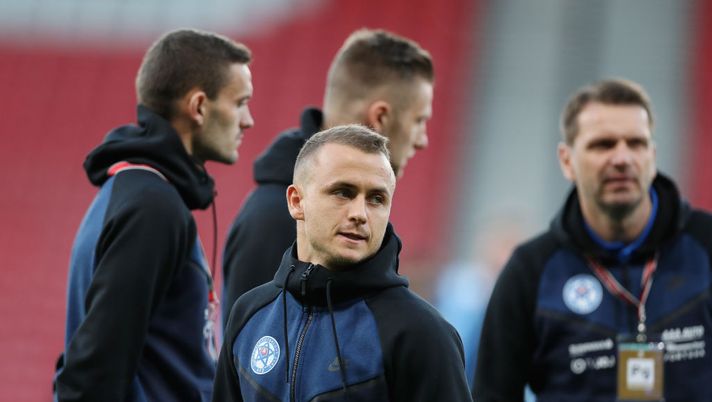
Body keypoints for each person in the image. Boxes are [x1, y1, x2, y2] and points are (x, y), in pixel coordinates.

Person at [472, 78, 712, 402]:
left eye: (636, 143)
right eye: (603, 144)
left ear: (652, 156)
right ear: (566, 161)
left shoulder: (706, 244)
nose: (622, 158)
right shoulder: (530, 270)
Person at [53, 28, 254, 402]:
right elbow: (93, 374)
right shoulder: (152, 208)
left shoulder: (137, 193)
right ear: (198, 106)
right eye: (240, 102)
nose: (248, 120)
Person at [213, 125, 472, 402]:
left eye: (376, 199)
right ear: (296, 201)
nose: (360, 214)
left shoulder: (421, 334)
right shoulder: (249, 315)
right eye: (343, 192)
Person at [221, 28, 434, 325]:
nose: (422, 139)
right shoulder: (274, 219)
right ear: (381, 117)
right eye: (419, 120)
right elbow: (252, 347)